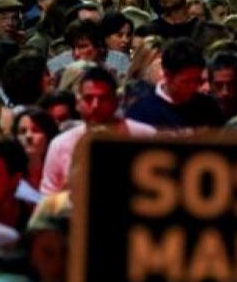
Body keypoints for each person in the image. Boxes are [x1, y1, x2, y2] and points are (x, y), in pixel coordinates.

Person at [42, 67, 155, 195]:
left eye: (103, 98)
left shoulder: (147, 137)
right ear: (78, 103)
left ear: (117, 101)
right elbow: (48, 201)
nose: (95, 105)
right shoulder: (60, 145)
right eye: (88, 98)